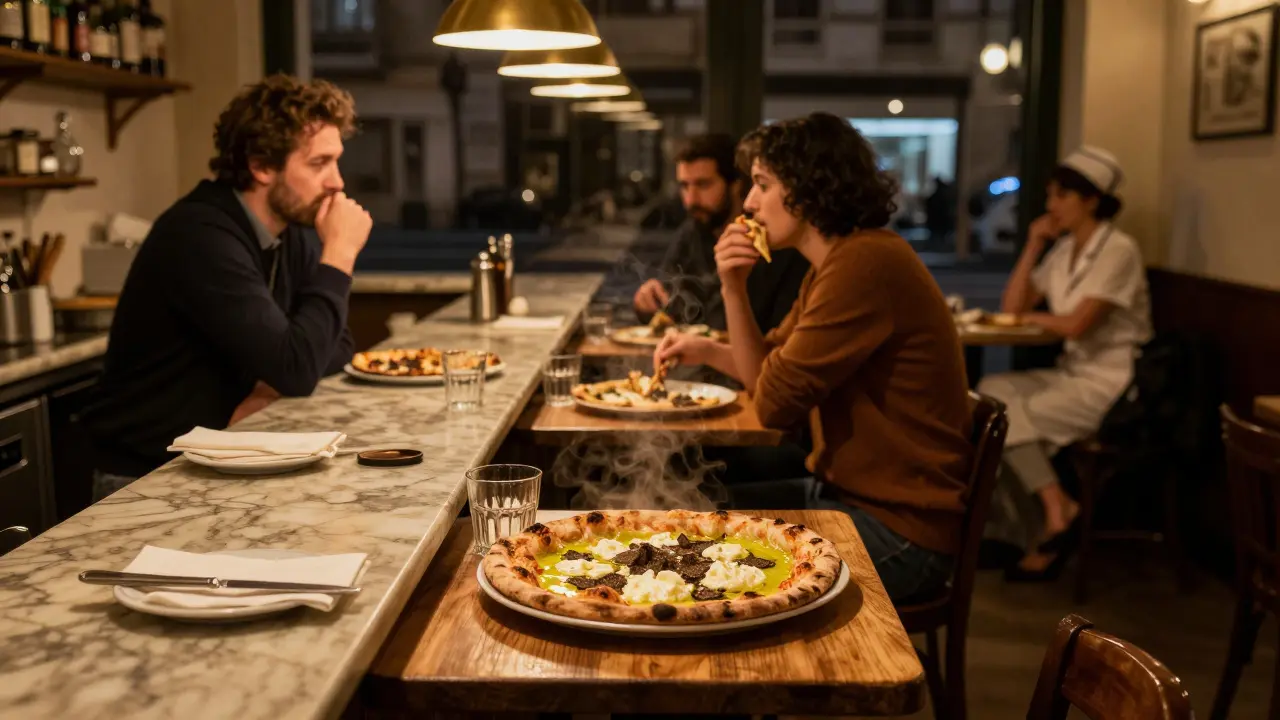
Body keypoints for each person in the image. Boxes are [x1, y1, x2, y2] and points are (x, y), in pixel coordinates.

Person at [655, 113, 973, 603]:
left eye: (762, 184)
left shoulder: (863, 264)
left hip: (900, 533)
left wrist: (732, 293)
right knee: (685, 515)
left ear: (808, 187)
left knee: (704, 564)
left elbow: (771, 404)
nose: (749, 202)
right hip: (846, 500)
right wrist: (720, 320)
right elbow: (766, 367)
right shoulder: (836, 262)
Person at [81, 75, 371, 500]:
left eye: (336, 162)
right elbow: (298, 367)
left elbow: (336, 346)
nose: (337, 183)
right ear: (261, 166)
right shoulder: (199, 234)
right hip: (145, 478)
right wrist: (340, 253)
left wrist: (268, 385)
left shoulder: (287, 234)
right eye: (318, 164)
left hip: (218, 460)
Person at [979, 146, 1152, 580]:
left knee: (1006, 421)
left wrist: (1031, 318)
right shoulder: (1064, 249)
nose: (1050, 205)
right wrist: (1034, 244)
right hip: (1072, 373)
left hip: (1112, 383)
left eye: (1061, 195)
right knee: (991, 392)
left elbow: (1076, 325)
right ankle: (1057, 506)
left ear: (1091, 200)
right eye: (1050, 195)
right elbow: (1013, 306)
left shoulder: (1119, 250)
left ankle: (1043, 526)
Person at [633, 133, 808, 335]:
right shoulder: (692, 232)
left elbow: (775, 338)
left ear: (735, 185)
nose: (691, 200)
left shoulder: (773, 240)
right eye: (685, 186)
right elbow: (671, 306)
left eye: (703, 184)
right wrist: (647, 303)